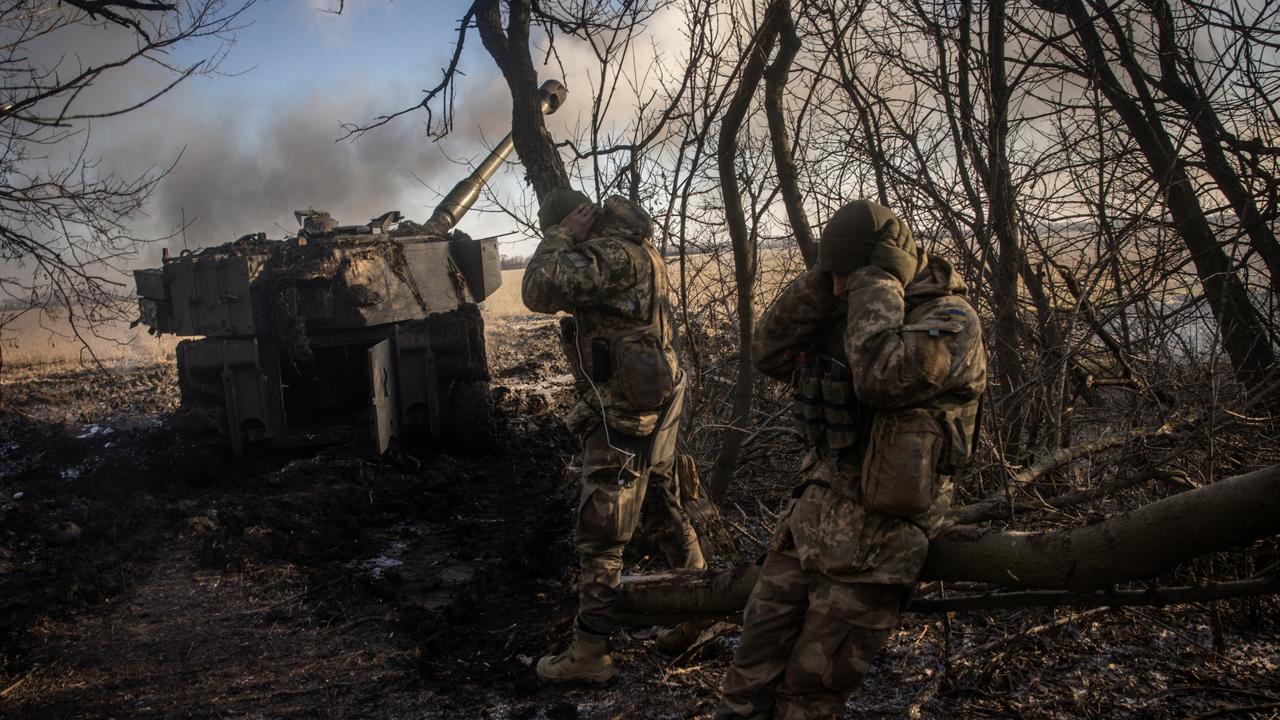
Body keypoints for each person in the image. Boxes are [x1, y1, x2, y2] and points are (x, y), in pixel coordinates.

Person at [716, 200, 987, 719]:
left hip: (878, 546)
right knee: (746, 682)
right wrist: (822, 281)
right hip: (810, 526)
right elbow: (769, 352)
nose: (840, 287)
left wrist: (876, 284)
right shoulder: (850, 307)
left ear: (882, 267)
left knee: (808, 699)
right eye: (834, 275)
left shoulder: (950, 320)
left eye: (849, 275)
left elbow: (882, 379)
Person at [523, 187, 708, 684]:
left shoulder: (611, 254)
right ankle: (700, 614)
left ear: (579, 221)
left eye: (558, 227)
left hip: (627, 413)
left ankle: (590, 653)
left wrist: (560, 237)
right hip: (652, 400)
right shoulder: (633, 246)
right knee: (662, 507)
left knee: (601, 529)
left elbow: (538, 290)